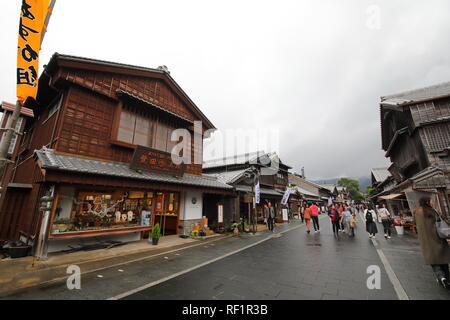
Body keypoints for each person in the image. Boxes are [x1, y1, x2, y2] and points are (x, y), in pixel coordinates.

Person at [413, 197, 450, 290]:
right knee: (443, 261)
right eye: (431, 201)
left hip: (426, 242)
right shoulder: (433, 211)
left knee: (434, 263)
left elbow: (415, 224)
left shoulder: (416, 212)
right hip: (438, 239)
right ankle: (447, 278)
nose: (432, 202)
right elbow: (443, 221)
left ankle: (442, 278)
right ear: (427, 202)